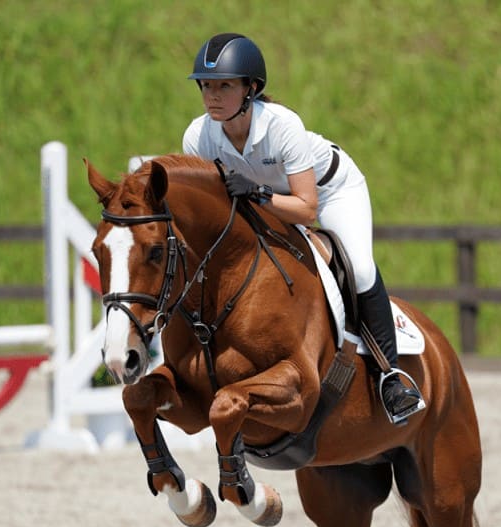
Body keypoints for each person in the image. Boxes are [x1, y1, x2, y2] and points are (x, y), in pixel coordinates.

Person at [182, 32, 424, 425]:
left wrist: (258, 193)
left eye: (224, 85)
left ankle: (391, 377)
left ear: (251, 88)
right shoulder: (198, 136)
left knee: (359, 268)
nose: (212, 95)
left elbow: (307, 208)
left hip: (328, 191)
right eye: (206, 86)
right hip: (263, 201)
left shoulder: (282, 126)